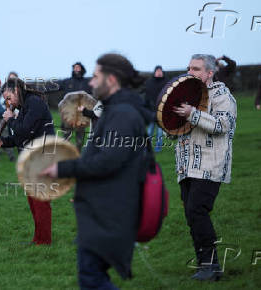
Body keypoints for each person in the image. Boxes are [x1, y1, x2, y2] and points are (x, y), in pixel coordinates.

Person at [41, 53, 151, 289]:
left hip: (111, 212)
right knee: (91, 276)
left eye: (96, 76)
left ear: (111, 80)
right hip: (102, 211)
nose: (91, 82)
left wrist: (63, 168)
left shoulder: (122, 115)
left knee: (92, 278)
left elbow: (107, 162)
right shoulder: (117, 110)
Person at [173, 54, 237, 281]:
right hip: (186, 166)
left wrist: (193, 114)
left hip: (211, 165)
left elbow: (222, 125)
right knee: (191, 215)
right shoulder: (186, 94)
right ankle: (203, 266)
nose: (191, 72)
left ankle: (212, 267)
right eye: (189, 67)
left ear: (210, 73)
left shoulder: (222, 95)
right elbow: (175, 128)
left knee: (197, 211)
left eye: (197, 69)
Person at [0, 77, 55, 245]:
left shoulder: (34, 103)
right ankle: (39, 239)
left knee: (40, 201)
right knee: (33, 201)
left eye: (8, 97)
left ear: (17, 91)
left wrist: (10, 118)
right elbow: (19, 136)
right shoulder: (23, 107)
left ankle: (44, 240)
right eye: (5, 99)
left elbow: (24, 130)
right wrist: (3, 142)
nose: (7, 102)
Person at [57, 62, 92, 151]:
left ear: (82, 69)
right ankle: (66, 152)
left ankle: (77, 152)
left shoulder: (87, 83)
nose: (76, 69)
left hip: (82, 113)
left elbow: (91, 97)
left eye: (78, 67)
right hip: (68, 113)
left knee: (80, 137)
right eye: (74, 68)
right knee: (66, 135)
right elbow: (55, 87)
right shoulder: (67, 82)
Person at [144, 65, 168, 152]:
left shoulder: (166, 82)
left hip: (162, 111)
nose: (159, 72)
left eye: (160, 71)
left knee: (160, 132)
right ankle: (147, 148)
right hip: (151, 111)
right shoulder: (149, 82)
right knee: (149, 131)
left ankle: (158, 148)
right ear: (154, 72)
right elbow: (147, 97)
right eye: (157, 71)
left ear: (162, 72)